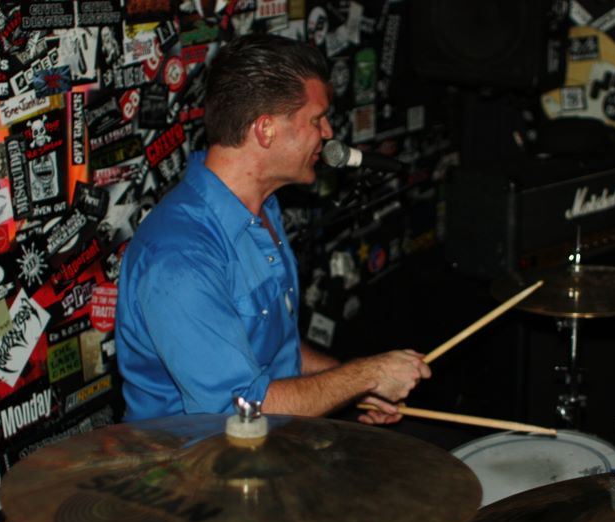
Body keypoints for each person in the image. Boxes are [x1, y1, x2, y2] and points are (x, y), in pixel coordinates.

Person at [115, 32, 430, 424]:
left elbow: (276, 352)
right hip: (193, 459)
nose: (328, 133)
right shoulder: (179, 257)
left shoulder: (264, 209)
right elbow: (240, 408)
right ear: (265, 130)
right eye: (316, 119)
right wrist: (368, 374)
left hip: (269, 446)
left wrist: (358, 387)